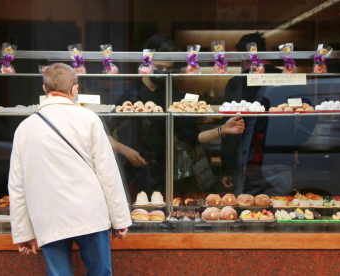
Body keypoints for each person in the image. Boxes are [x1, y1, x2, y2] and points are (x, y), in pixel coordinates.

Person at [8, 63, 131, 276]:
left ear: (45, 89)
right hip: (90, 213)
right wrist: (119, 219)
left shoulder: (24, 129)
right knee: (100, 273)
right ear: (75, 89)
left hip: (49, 216)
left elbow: (17, 186)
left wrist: (23, 233)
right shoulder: (89, 120)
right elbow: (108, 173)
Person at [105, 34, 245, 197]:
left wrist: (222, 129)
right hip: (129, 171)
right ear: (147, 61)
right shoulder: (127, 94)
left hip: (167, 173)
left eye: (168, 68)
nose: (164, 73)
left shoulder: (174, 95)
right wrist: (125, 151)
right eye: (159, 67)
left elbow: (192, 136)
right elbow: (102, 132)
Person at [221, 33, 315, 196]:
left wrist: (227, 167)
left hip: (245, 162)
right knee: (280, 212)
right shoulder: (288, 79)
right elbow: (311, 113)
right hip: (279, 157)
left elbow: (229, 130)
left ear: (243, 58)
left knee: (246, 212)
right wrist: (294, 144)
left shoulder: (236, 83)